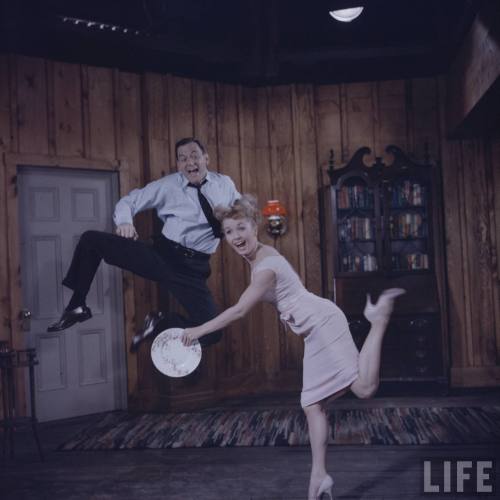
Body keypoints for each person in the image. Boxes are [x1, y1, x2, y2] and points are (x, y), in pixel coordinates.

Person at [181, 195, 405, 500]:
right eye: (229, 231)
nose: (236, 237)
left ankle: (377, 320)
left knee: (364, 388)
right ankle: (319, 477)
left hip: (323, 323)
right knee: (313, 405)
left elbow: (239, 311)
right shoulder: (260, 256)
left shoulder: (265, 268)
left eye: (241, 228)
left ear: (255, 227)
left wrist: (197, 331)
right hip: (312, 332)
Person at [47, 137, 240, 352]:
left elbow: (243, 215)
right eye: (182, 158)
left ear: (206, 158)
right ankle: (77, 305)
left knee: (212, 332)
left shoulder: (225, 184)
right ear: (178, 165)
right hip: (163, 256)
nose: (189, 162)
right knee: (91, 240)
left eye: (194, 156)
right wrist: (124, 222)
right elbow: (129, 201)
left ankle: (159, 324)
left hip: (194, 270)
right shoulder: (168, 185)